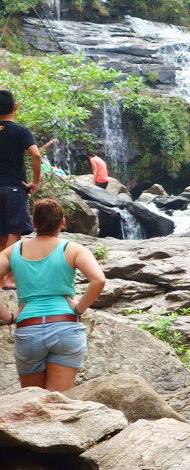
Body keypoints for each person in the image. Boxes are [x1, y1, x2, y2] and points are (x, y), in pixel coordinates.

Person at [0, 198, 106, 391]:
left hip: (28, 329)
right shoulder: (72, 249)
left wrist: (8, 316)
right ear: (62, 223)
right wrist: (79, 308)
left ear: (33, 223)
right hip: (65, 327)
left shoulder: (14, 250)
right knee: (58, 403)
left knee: (31, 402)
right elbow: (98, 280)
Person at [0, 91, 41, 290]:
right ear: (15, 106)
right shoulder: (21, 131)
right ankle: (8, 279)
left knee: (1, 234)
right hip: (14, 188)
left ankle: (1, 278)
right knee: (13, 232)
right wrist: (35, 181)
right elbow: (36, 155)